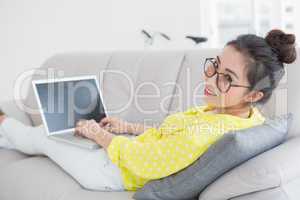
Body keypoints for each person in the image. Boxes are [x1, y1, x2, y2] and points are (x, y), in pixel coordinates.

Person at [0, 29, 296, 191]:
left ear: (255, 93)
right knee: (59, 132)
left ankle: (3, 122)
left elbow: (144, 163)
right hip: (124, 151)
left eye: (227, 78)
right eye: (215, 66)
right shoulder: (243, 116)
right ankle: (5, 135)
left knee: (44, 136)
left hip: (112, 173)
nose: (210, 78)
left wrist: (99, 136)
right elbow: (172, 138)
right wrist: (128, 128)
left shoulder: (213, 130)